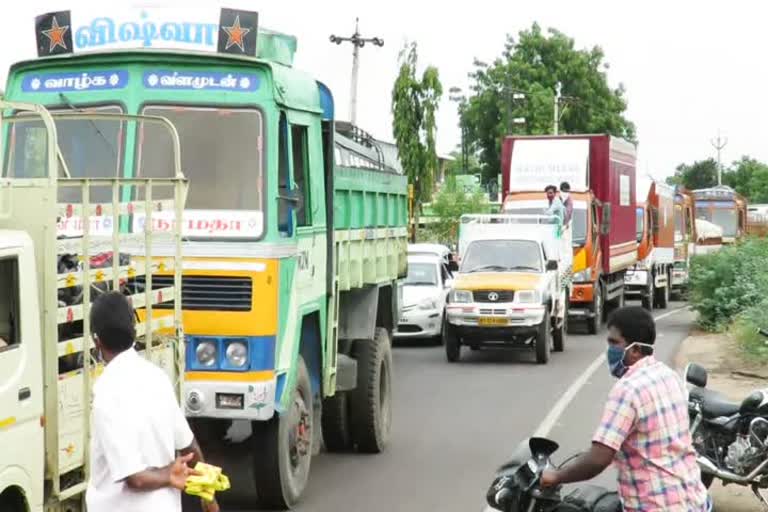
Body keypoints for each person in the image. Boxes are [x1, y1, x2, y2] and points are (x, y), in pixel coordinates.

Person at [540, 306, 709, 511]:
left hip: (655, 505)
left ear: (636, 349)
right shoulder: (669, 376)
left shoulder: (628, 389)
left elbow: (599, 459)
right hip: (695, 499)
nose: (609, 350)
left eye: (614, 343)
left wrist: (556, 476)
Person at [85, 291, 218, 512]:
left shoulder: (106, 392)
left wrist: (168, 475)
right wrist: (209, 496)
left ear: (96, 341)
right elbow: (190, 448)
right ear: (134, 331)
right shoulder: (157, 377)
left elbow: (135, 479)